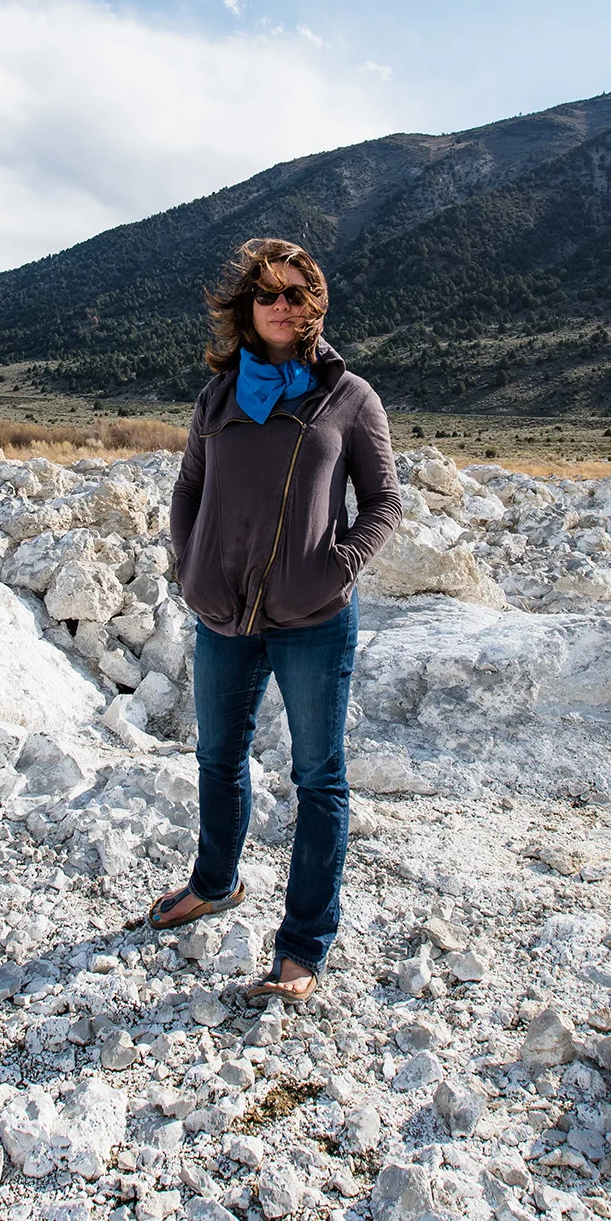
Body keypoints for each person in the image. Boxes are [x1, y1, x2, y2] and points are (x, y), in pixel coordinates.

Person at [150, 237, 402, 1002]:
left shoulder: (349, 397)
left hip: (312, 616)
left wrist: (334, 565)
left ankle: (301, 949)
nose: (282, 305)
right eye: (268, 294)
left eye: (296, 293)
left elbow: (385, 504)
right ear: (247, 310)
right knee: (218, 759)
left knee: (319, 778)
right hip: (224, 613)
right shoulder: (217, 398)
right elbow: (189, 488)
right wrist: (190, 562)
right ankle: (216, 883)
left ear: (315, 304)